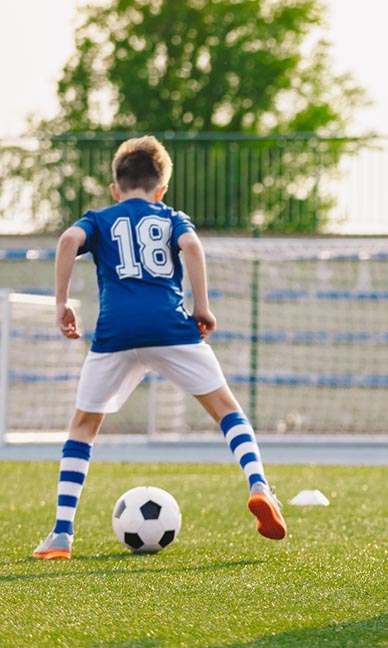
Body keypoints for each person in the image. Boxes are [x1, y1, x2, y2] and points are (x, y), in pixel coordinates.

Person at [32, 136, 286, 560]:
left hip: (116, 334)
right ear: (161, 188)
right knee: (228, 412)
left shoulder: (100, 217)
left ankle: (61, 534)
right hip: (172, 328)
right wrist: (201, 307)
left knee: (82, 429)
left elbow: (65, 242)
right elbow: (191, 246)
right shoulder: (172, 218)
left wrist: (61, 305)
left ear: (116, 187)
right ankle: (259, 485)